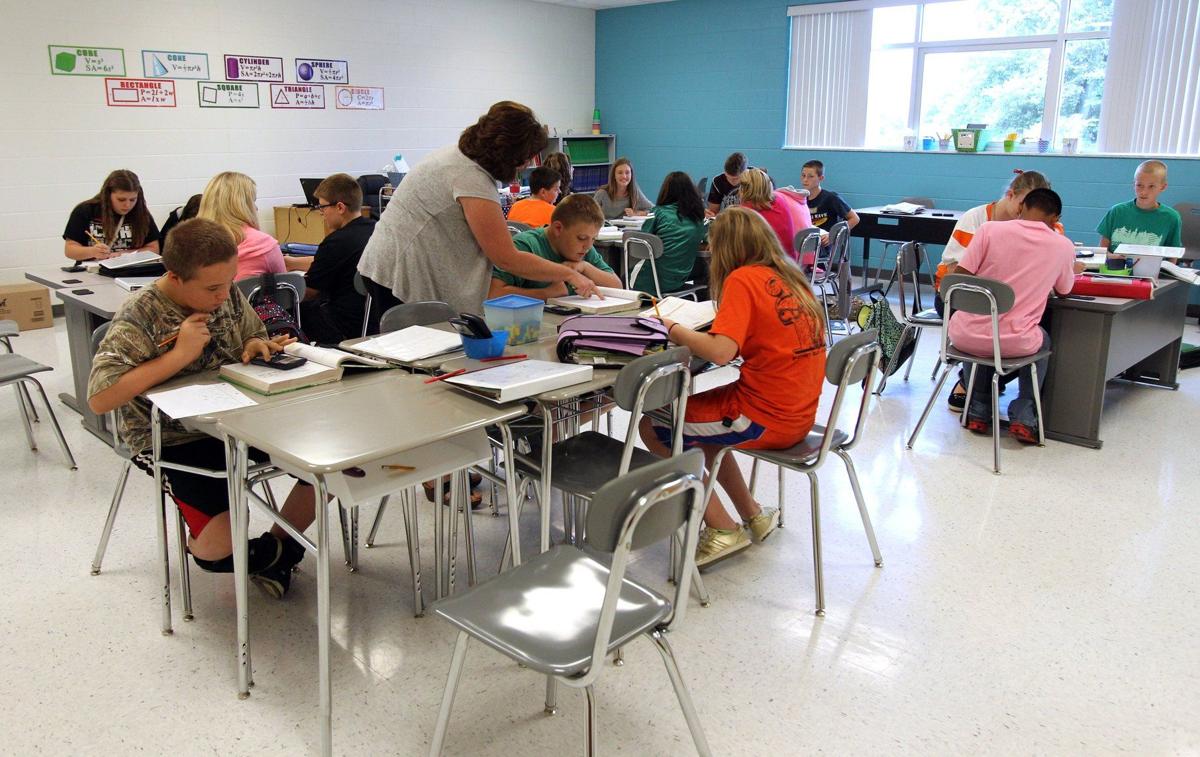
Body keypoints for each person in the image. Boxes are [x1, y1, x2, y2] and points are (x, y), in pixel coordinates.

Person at [87, 218, 313, 597]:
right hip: (174, 438)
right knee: (216, 551)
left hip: (239, 417)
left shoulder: (222, 291)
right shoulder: (140, 314)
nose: (224, 294)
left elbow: (252, 330)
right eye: (212, 288)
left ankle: (277, 551)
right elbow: (100, 397)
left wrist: (257, 344)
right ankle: (275, 558)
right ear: (174, 277)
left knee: (336, 467)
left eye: (229, 282)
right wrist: (179, 356)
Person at [638, 207, 827, 567]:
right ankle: (752, 513)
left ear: (726, 248)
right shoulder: (792, 278)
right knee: (701, 427)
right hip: (799, 412)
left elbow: (722, 353)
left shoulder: (743, 279)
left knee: (656, 425)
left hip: (765, 417)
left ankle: (723, 528)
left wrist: (671, 329)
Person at [357, 101, 600, 320]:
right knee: (418, 350)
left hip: (389, 261)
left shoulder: (458, 157)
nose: (526, 164)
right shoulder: (470, 177)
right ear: (508, 152)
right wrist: (568, 274)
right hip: (399, 271)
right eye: (525, 157)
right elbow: (506, 258)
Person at [945, 188, 1080, 443]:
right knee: (1044, 340)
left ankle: (978, 408)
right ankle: (1025, 414)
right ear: (1056, 219)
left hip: (965, 335)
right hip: (1015, 341)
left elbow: (960, 279)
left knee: (986, 339)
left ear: (1020, 208)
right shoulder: (1063, 245)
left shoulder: (989, 229)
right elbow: (1064, 290)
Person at [936, 170, 1061, 411]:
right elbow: (956, 271)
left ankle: (982, 390)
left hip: (1011, 303)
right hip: (960, 299)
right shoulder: (978, 220)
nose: (1028, 214)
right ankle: (976, 386)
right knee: (1004, 327)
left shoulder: (1044, 226)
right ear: (1011, 195)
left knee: (1040, 321)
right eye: (1023, 204)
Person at [295, 173, 375, 344]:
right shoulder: (376, 229)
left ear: (340, 207)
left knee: (293, 308)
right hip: (376, 319)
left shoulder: (336, 241)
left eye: (322, 207)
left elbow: (309, 292)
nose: (322, 213)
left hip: (344, 326)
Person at [489, 194, 620, 299]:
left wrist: (585, 267)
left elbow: (617, 286)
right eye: (582, 238)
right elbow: (493, 294)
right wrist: (546, 294)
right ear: (558, 228)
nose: (588, 246)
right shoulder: (527, 245)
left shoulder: (584, 250)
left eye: (593, 239)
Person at [198, 171, 286, 281]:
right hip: (242, 298)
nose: (256, 208)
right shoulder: (263, 244)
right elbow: (285, 288)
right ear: (243, 205)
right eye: (253, 201)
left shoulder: (190, 243)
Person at [1097, 160, 1183, 271]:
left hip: (1149, 273)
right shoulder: (1117, 211)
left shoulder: (1171, 217)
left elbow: (1173, 255)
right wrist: (1113, 257)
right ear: (1134, 184)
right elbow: (1102, 249)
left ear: (1162, 187)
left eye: (1151, 186)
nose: (1144, 192)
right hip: (1116, 270)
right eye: (1139, 185)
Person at [633, 171, 708, 295]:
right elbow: (707, 238)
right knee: (704, 268)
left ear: (666, 191)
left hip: (651, 282)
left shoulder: (657, 212)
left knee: (623, 276)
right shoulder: (698, 218)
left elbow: (641, 241)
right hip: (679, 279)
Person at [63, 170, 161, 261]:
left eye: (132, 200)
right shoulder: (85, 210)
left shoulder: (141, 213)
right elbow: (70, 250)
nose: (127, 205)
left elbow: (154, 248)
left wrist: (124, 254)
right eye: (121, 200)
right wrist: (92, 251)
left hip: (128, 271)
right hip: (90, 271)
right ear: (108, 195)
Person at [738, 168, 813, 265]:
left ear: (744, 189)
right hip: (789, 265)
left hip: (768, 267)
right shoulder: (780, 200)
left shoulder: (747, 210)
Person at [800, 160, 859, 233]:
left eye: (810, 176)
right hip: (807, 240)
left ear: (821, 178)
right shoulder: (799, 199)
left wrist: (833, 235)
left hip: (827, 242)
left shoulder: (831, 197)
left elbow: (855, 218)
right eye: (803, 175)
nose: (805, 180)